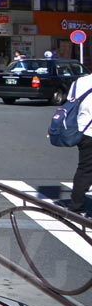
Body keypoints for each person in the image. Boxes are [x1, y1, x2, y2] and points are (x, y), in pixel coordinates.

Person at [68, 74, 92, 215]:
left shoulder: (80, 82)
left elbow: (71, 101)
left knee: (85, 169)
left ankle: (76, 205)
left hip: (83, 130)